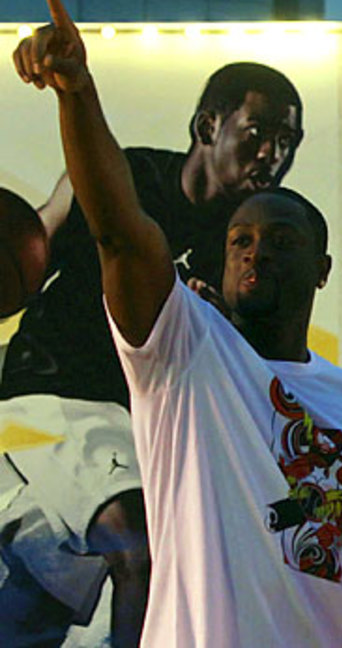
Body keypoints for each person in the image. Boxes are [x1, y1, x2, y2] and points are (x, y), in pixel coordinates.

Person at [13, 0, 342, 646]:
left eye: (283, 242)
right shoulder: (186, 353)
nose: (257, 251)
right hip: (51, 400)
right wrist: (77, 91)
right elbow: (114, 229)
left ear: (322, 269)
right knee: (130, 538)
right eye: (241, 241)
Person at [2, 40, 303, 644]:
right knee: (141, 543)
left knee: (36, 607)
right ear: (208, 125)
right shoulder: (128, 179)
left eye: (288, 143)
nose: (272, 153)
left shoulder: (246, 243)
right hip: (57, 398)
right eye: (258, 133)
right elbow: (32, 244)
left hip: (140, 429)